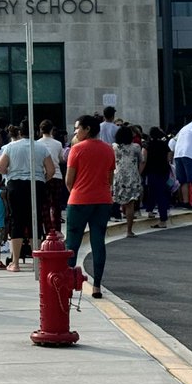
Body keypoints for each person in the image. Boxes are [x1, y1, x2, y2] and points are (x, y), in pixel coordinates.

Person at [63, 114, 115, 298]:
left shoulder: (76, 150)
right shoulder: (109, 150)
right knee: (98, 241)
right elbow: (110, 178)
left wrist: (77, 191)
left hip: (79, 200)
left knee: (72, 243)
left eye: (78, 128)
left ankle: (68, 285)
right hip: (102, 200)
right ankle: (97, 286)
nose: (75, 131)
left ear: (87, 129)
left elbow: (69, 180)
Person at [0, 120, 56, 271]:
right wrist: (42, 178)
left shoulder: (10, 147)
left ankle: (15, 262)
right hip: (36, 184)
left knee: (16, 221)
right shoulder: (41, 147)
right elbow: (51, 170)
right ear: (35, 133)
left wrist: (10, 172)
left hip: (15, 185)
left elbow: (0, 167)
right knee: (36, 220)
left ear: (19, 132)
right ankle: (38, 262)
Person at [111, 125, 144, 236]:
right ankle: (129, 230)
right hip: (132, 177)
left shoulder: (114, 147)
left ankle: (117, 215)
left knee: (118, 200)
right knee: (130, 204)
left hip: (118, 176)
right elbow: (142, 160)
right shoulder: (136, 147)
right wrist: (138, 173)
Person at [39, 120, 67, 230]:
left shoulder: (37, 143)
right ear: (52, 130)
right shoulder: (58, 144)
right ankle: (57, 229)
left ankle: (47, 229)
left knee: (45, 205)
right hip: (57, 176)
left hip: (44, 176)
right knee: (56, 204)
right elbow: (61, 159)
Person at [143, 127, 173, 228]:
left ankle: (156, 215)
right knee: (162, 194)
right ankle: (163, 217)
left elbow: (144, 160)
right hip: (164, 171)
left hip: (152, 171)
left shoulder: (148, 145)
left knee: (153, 192)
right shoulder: (163, 144)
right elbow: (170, 155)